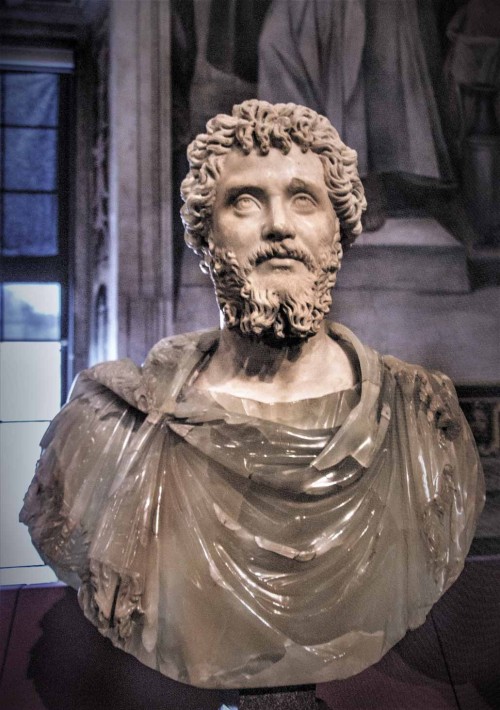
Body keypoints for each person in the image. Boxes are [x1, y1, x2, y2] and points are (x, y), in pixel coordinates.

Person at [21, 100, 484, 689]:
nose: (278, 226)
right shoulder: (113, 429)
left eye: (303, 199)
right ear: (205, 234)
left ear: (338, 229)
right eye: (244, 200)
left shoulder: (422, 423)